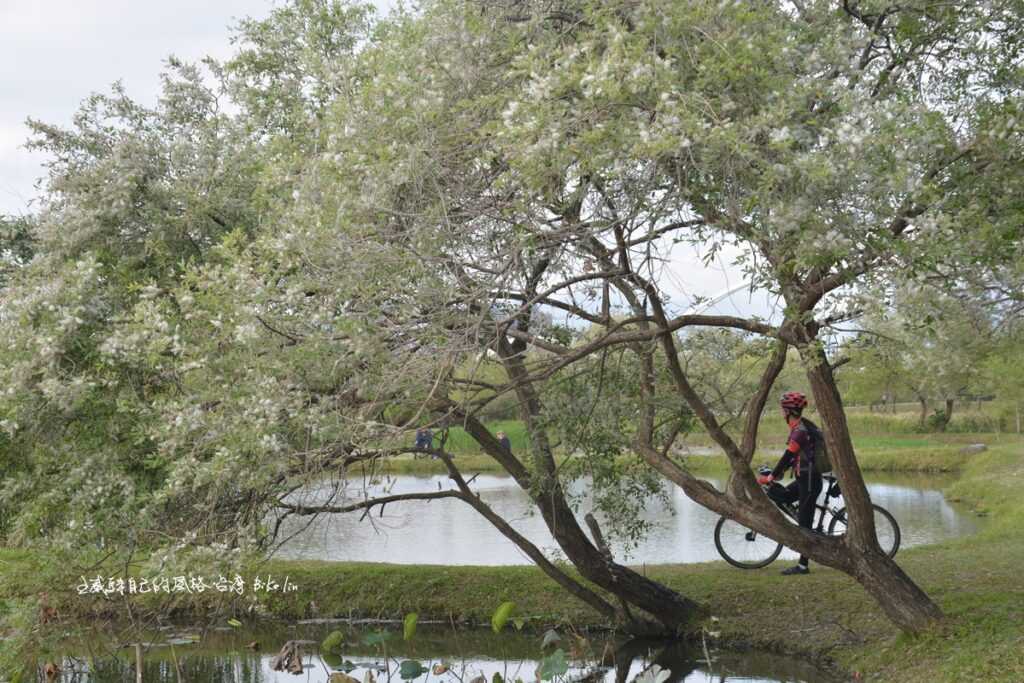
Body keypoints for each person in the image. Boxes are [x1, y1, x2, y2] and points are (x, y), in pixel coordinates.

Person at [757, 391, 824, 575]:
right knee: (783, 496)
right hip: (804, 479)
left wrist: (772, 476)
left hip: (809, 482)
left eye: (782, 409)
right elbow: (795, 457)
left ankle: (803, 566)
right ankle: (802, 526)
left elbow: (788, 455)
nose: (781, 412)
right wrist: (777, 474)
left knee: (804, 524)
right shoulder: (800, 427)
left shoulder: (800, 431)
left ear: (787, 411)